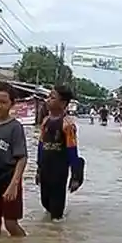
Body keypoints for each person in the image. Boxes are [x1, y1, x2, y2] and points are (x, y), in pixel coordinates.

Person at [0, 83, 29, 237]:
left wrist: (14, 185)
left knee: (10, 224)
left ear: (12, 104)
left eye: (3, 102)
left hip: (9, 181)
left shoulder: (15, 127)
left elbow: (22, 158)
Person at [36, 85, 85, 220]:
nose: (48, 100)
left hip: (59, 170)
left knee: (56, 211)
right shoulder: (45, 121)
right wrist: (38, 169)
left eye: (52, 97)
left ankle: (57, 234)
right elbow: (41, 145)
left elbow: (72, 150)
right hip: (45, 167)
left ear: (63, 103)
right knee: (45, 202)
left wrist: (75, 176)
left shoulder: (67, 125)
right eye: (49, 97)